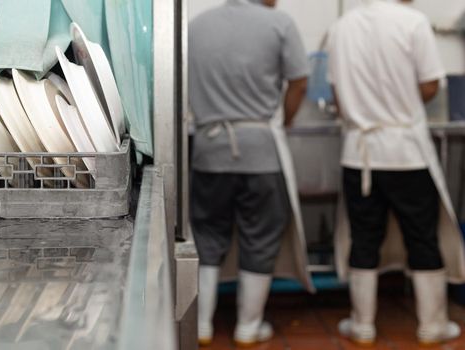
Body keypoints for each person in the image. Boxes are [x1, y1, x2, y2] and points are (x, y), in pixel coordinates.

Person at [327, 0, 465, 346]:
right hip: (407, 153)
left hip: (360, 154)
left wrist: (366, 108)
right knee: (421, 235)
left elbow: (336, 93)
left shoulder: (342, 27)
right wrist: (399, 102)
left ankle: (362, 325)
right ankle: (432, 325)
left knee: (364, 236)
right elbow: (431, 84)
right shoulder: (413, 22)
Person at [189, 0, 314, 346]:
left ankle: (201, 325)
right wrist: (285, 121)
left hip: (208, 151)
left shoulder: (196, 26)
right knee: (260, 236)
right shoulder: (279, 24)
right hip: (260, 151)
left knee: (207, 234)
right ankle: (248, 327)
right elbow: (300, 82)